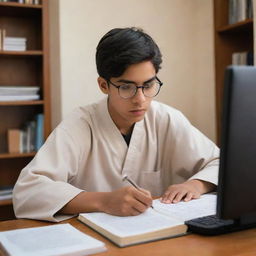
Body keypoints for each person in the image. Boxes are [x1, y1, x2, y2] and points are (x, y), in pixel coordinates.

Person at [13, 27, 219, 222]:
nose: (140, 99)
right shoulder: (81, 124)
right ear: (104, 85)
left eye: (148, 85)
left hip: (155, 237)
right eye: (126, 87)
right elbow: (28, 191)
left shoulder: (166, 118)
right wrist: (103, 201)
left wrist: (196, 184)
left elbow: (219, 162)